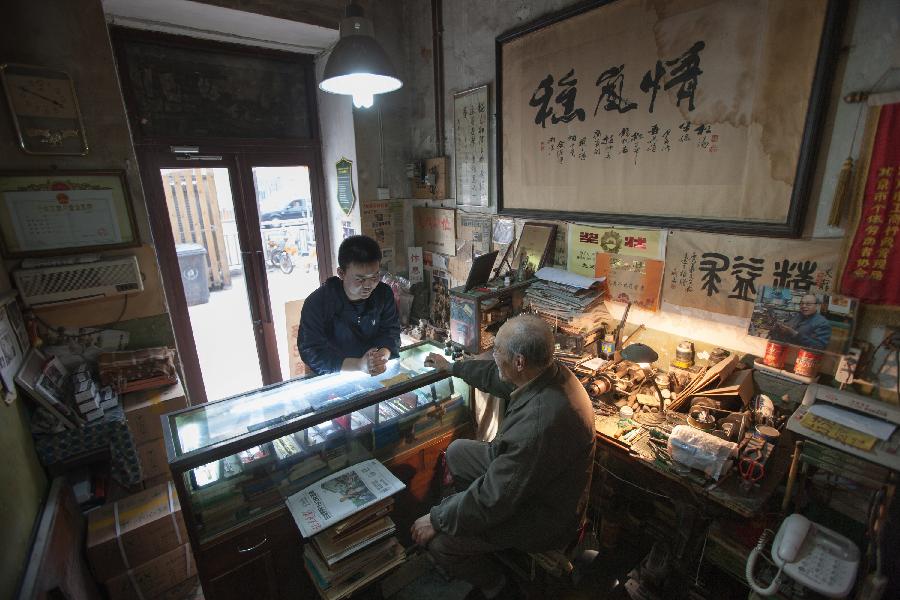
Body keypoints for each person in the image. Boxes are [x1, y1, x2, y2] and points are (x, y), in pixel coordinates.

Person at [411, 315, 595, 600]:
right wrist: (454, 367)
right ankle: (478, 531)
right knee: (459, 452)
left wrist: (437, 518)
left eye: (497, 350)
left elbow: (495, 497)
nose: (493, 355)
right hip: (531, 482)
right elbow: (497, 379)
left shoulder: (539, 423)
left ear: (519, 361)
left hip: (543, 515)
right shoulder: (545, 374)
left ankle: (497, 586)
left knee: (441, 543)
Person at [298, 235, 400, 376]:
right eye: (360, 279)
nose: (369, 285)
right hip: (334, 374)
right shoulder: (317, 303)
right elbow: (312, 352)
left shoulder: (383, 293)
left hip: (373, 373)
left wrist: (381, 357)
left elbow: (391, 332)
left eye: (374, 277)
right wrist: (358, 365)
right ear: (341, 273)